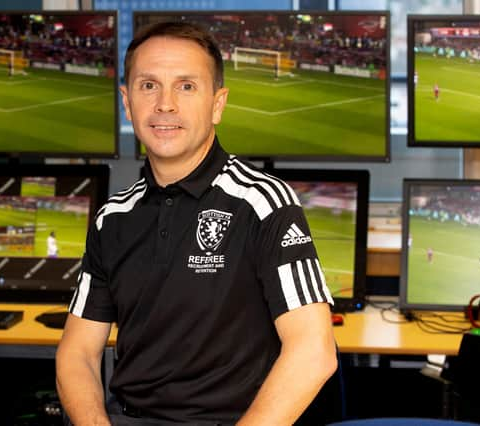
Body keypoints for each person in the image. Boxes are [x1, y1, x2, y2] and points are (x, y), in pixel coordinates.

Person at [55, 21, 337, 426]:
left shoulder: (264, 202)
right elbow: (77, 353)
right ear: (127, 102)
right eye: (148, 85)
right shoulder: (111, 218)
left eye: (186, 86)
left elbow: (314, 351)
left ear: (217, 104)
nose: (165, 104)